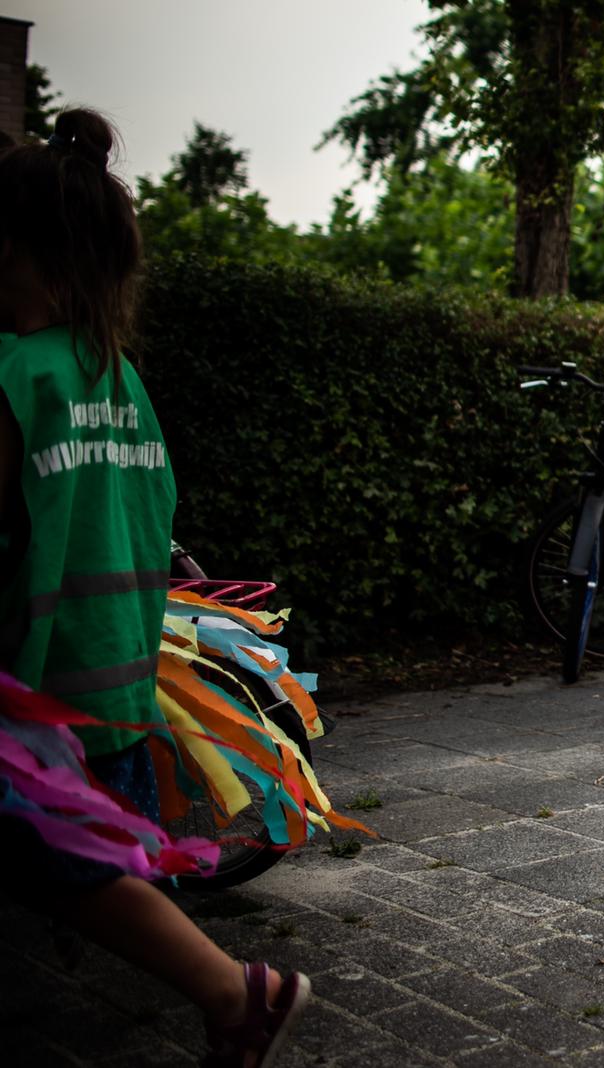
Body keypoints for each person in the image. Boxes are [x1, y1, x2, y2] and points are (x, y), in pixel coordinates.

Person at [0, 110, 309, 1065]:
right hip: (120, 684)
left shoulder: (16, 375)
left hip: (33, 699)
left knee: (66, 868)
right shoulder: (120, 379)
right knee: (79, 872)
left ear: (16, 250)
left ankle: (236, 994)